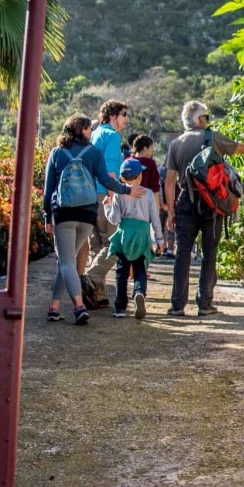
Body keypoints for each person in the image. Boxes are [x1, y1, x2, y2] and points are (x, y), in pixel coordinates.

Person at [161, 100, 244, 317]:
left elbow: (170, 181)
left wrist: (171, 213)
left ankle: (177, 305)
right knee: (209, 253)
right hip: (212, 204)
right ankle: (205, 304)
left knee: (182, 253)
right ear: (200, 119)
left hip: (185, 203)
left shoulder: (176, 143)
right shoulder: (213, 138)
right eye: (207, 117)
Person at [42, 114, 142, 325]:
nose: (91, 132)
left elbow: (49, 188)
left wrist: (46, 215)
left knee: (66, 261)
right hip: (87, 213)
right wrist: (126, 190)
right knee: (66, 260)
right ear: (84, 130)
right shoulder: (94, 153)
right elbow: (105, 180)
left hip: (64, 212)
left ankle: (78, 306)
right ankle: (54, 306)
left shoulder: (57, 153)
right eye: (89, 129)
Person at [82, 99, 132, 305]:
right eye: (124, 115)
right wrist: (113, 198)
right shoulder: (112, 136)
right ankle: (89, 279)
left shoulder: (94, 134)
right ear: (113, 115)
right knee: (114, 244)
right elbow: (111, 172)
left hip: (87, 194)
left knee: (97, 243)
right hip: (105, 194)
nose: (126, 120)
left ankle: (95, 295)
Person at [103, 158, 163, 319]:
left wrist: (107, 205)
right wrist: (159, 240)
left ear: (122, 179)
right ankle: (139, 292)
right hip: (142, 235)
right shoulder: (149, 194)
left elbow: (114, 220)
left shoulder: (119, 194)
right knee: (140, 269)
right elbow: (155, 218)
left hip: (124, 234)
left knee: (121, 272)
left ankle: (120, 307)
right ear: (140, 177)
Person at [132, 134, 172, 257]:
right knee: (145, 234)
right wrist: (157, 206)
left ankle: (131, 265)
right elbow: (155, 188)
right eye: (151, 148)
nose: (151, 151)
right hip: (145, 203)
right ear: (145, 148)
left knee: (133, 233)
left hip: (129, 202)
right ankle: (143, 263)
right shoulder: (150, 164)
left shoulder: (128, 161)